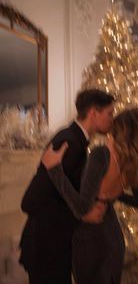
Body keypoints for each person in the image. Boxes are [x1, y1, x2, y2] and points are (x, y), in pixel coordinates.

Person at [42, 107, 138, 284]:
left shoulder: (102, 154)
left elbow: (81, 208)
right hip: (113, 236)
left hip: (90, 239)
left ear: (122, 131)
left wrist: (54, 169)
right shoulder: (135, 162)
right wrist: (108, 196)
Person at [19, 88, 115, 284]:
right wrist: (83, 215)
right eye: (109, 113)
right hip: (46, 246)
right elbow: (31, 202)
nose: (112, 119)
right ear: (94, 113)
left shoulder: (77, 141)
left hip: (53, 244)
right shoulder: (68, 142)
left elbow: (65, 193)